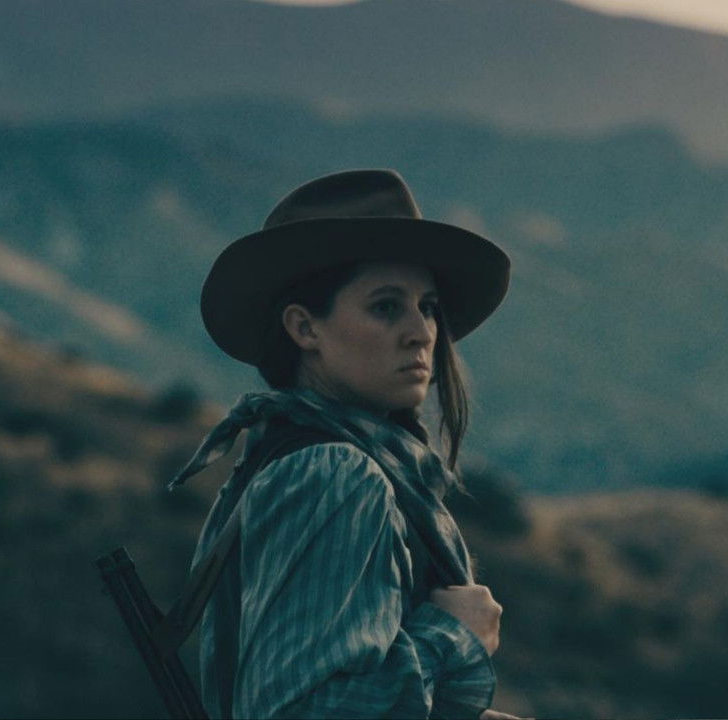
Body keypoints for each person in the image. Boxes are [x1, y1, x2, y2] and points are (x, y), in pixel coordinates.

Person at [167, 169, 517, 719]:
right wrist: (454, 635)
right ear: (305, 329)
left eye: (427, 305)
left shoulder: (284, 458)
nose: (422, 331)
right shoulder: (333, 472)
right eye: (385, 306)